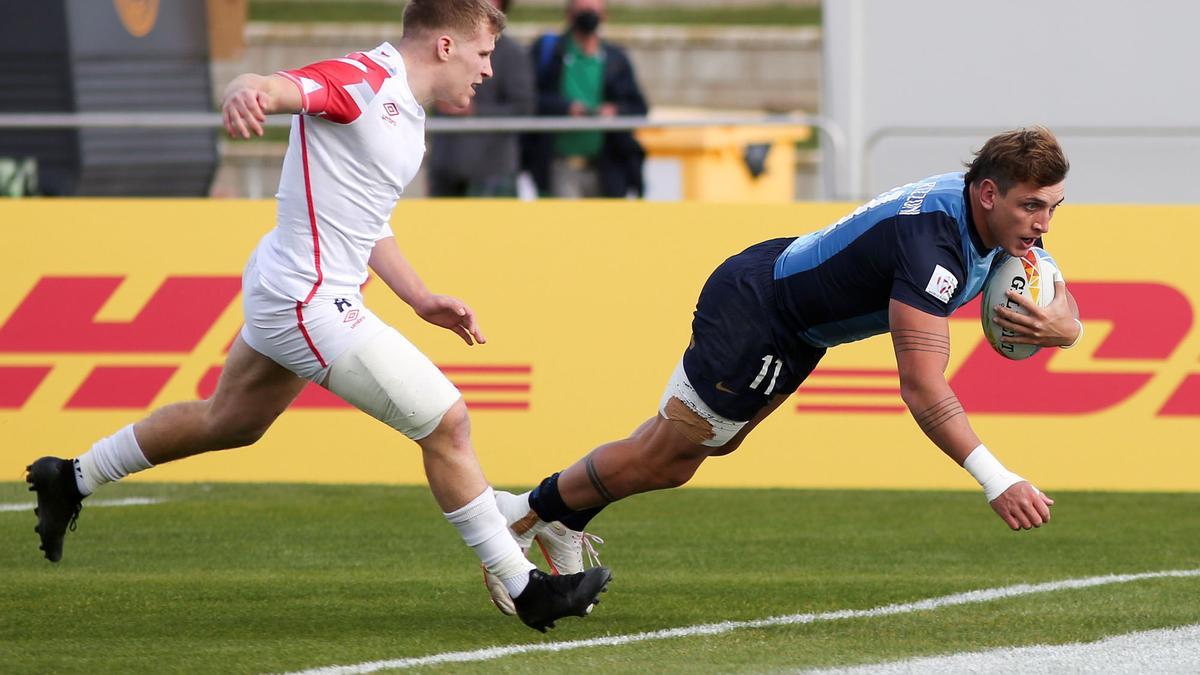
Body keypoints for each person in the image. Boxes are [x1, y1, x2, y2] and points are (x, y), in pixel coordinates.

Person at [24, 0, 608, 634]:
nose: (489, 70)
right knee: (447, 422)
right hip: (305, 299)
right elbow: (276, 86)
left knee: (230, 422)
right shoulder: (363, 80)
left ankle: (71, 478)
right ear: (445, 46)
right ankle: (526, 590)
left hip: (289, 286)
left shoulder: (402, 108)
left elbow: (368, 217)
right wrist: (246, 91)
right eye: (484, 54)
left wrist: (419, 298)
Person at [486, 126, 1083, 610]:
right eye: (1033, 207)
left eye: (1053, 207)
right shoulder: (934, 243)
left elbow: (1055, 285)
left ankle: (563, 518)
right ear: (986, 194)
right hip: (759, 313)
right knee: (669, 460)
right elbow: (922, 385)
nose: (1044, 224)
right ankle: (519, 517)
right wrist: (996, 478)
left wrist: (1070, 327)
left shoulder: (1005, 223)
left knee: (692, 448)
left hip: (795, 323)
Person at [523, 0, 648, 198]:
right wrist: (565, 108)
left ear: (605, 15)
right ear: (569, 14)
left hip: (606, 167)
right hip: (560, 166)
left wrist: (615, 111)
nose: (588, 16)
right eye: (582, 10)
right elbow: (528, 98)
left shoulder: (616, 58)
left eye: (593, 11)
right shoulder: (549, 51)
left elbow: (639, 107)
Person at [427, 0, 535, 198]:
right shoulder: (448, 46)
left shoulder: (512, 54)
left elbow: (524, 108)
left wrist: (474, 110)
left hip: (490, 171)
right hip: (446, 167)